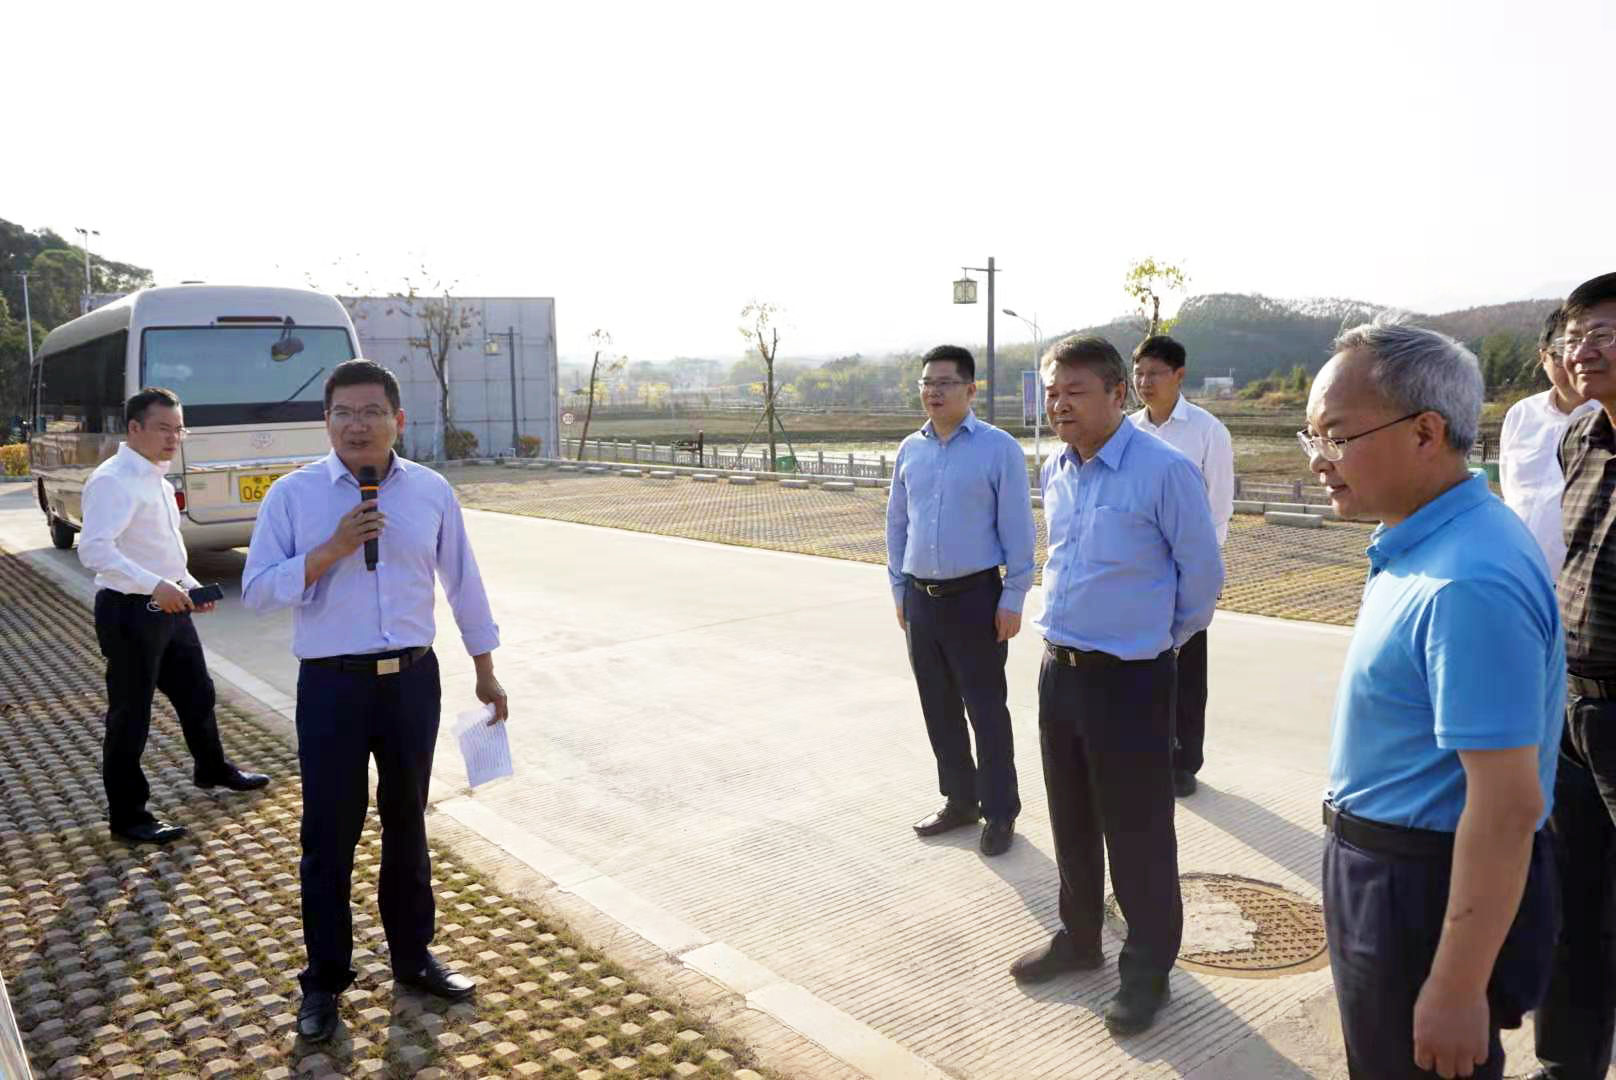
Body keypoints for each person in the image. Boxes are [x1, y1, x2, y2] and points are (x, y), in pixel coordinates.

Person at [1303, 319, 1562, 1080]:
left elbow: (1507, 804)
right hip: (1390, 870)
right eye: (1311, 436)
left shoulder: (1467, 581)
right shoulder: (1425, 540)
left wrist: (1456, 985)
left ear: (1425, 432)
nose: (1318, 460)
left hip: (1419, 890)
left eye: (1337, 436)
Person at [242, 360, 509, 1044]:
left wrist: (485, 670)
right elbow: (257, 591)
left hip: (413, 681)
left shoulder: (430, 490)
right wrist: (330, 549)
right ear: (326, 421)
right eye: (342, 413)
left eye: (370, 412)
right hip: (332, 685)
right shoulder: (293, 495)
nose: (356, 425)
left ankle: (413, 957)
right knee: (329, 833)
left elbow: (464, 582)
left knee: (407, 822)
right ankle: (325, 979)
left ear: (397, 420)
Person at [1011, 335, 1222, 1036]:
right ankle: (1079, 939)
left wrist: (1151, 644)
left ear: (1116, 394)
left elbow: (1202, 581)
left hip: (1131, 680)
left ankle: (1147, 969)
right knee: (1070, 818)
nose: (1059, 405)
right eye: (1052, 393)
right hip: (1059, 671)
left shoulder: (1164, 471)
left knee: (1138, 833)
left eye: (1075, 391)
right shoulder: (1056, 468)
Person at [80, 387, 269, 846]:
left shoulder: (159, 481)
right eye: (164, 428)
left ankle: (212, 768)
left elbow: (163, 550)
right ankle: (129, 817)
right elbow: (95, 550)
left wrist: (187, 586)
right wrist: (155, 586)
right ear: (134, 428)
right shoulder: (112, 480)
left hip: (168, 606)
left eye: (179, 428)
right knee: (131, 715)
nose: (173, 438)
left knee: (198, 693)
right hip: (130, 612)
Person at [886, 344, 1035, 856]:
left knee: (986, 709)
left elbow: (1018, 527)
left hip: (976, 598)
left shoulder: (998, 449)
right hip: (920, 599)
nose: (933, 391)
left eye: (945, 382)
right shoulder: (911, 449)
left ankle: (1000, 810)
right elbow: (897, 524)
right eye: (927, 382)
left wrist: (1013, 595)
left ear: (971, 390)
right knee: (939, 707)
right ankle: (960, 800)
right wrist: (898, 589)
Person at [1531, 271, 1616, 1080]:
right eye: (1574, 336)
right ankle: (1567, 1064)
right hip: (1573, 708)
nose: (1582, 350)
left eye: (1603, 334)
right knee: (1573, 896)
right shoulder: (1579, 438)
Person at [1129, 334, 1235, 797]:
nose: (1144, 382)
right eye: (1138, 373)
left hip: (1185, 573)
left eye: (1154, 373)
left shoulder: (1207, 432)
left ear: (1179, 375)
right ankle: (1146, 753)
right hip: (1138, 573)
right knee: (1138, 668)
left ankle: (1183, 761)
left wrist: (1199, 575)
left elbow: (1219, 510)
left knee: (1186, 673)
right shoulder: (1127, 430)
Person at [1498, 306, 1594, 572]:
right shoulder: (1521, 414)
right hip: (1517, 573)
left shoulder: (1608, 421)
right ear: (1543, 357)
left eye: (1584, 346)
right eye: (1564, 349)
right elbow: (1510, 490)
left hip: (1585, 583)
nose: (1575, 359)